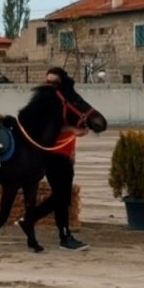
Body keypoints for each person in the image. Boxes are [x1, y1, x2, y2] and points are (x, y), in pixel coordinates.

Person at [22, 66, 90, 251]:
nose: (50, 86)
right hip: (53, 154)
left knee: (62, 197)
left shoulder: (63, 102)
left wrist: (74, 145)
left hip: (65, 154)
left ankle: (37, 223)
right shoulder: (45, 103)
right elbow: (47, 128)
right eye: (48, 81)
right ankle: (61, 235)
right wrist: (71, 130)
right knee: (62, 197)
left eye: (54, 83)